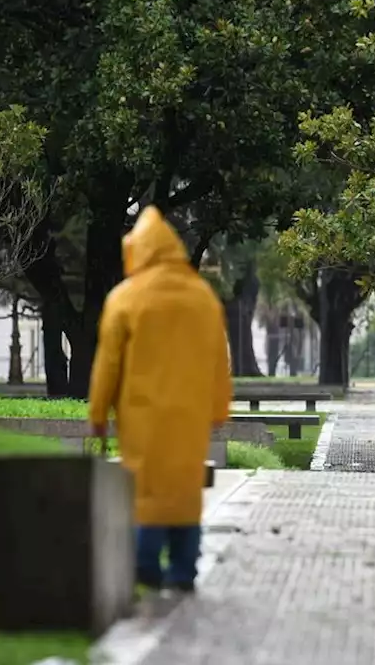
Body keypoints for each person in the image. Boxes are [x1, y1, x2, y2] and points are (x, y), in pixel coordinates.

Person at [87, 205, 232, 594]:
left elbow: (108, 365)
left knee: (146, 492)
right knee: (184, 491)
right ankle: (183, 570)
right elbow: (220, 359)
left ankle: (146, 567)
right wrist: (219, 409)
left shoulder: (125, 299)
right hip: (190, 417)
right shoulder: (203, 298)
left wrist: (98, 414)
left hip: (143, 417)